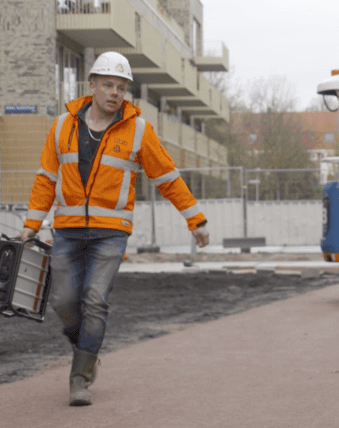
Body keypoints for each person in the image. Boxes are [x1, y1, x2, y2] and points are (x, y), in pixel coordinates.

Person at [18, 51, 209, 407]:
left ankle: (80, 377)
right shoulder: (62, 126)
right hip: (68, 228)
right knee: (62, 300)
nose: (115, 93)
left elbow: (167, 177)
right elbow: (45, 179)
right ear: (91, 86)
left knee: (95, 299)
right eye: (108, 85)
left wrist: (195, 219)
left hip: (111, 231)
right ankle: (86, 349)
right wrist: (31, 225)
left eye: (121, 87)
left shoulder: (138, 130)